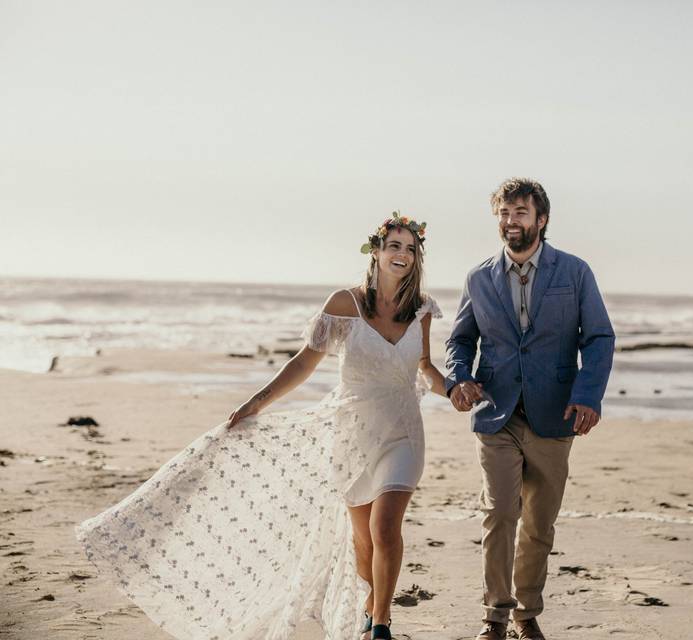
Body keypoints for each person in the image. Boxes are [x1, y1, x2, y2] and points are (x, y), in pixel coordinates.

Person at [76, 212, 446, 640]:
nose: (401, 254)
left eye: (410, 248)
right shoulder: (344, 305)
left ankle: (380, 624)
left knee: (386, 528)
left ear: (417, 257)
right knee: (362, 541)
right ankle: (369, 604)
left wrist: (454, 389)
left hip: (403, 432)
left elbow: (424, 368)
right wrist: (258, 401)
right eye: (394, 246)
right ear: (377, 252)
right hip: (351, 436)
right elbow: (305, 361)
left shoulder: (421, 310)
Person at [445, 179, 615, 640]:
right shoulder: (478, 277)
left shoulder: (575, 272)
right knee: (500, 513)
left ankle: (527, 613)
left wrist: (588, 395)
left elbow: (598, 338)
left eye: (521, 212)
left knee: (539, 522)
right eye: (504, 212)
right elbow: (460, 340)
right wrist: (458, 378)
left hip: (555, 414)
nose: (511, 221)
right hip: (496, 413)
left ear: (541, 220)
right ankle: (495, 616)